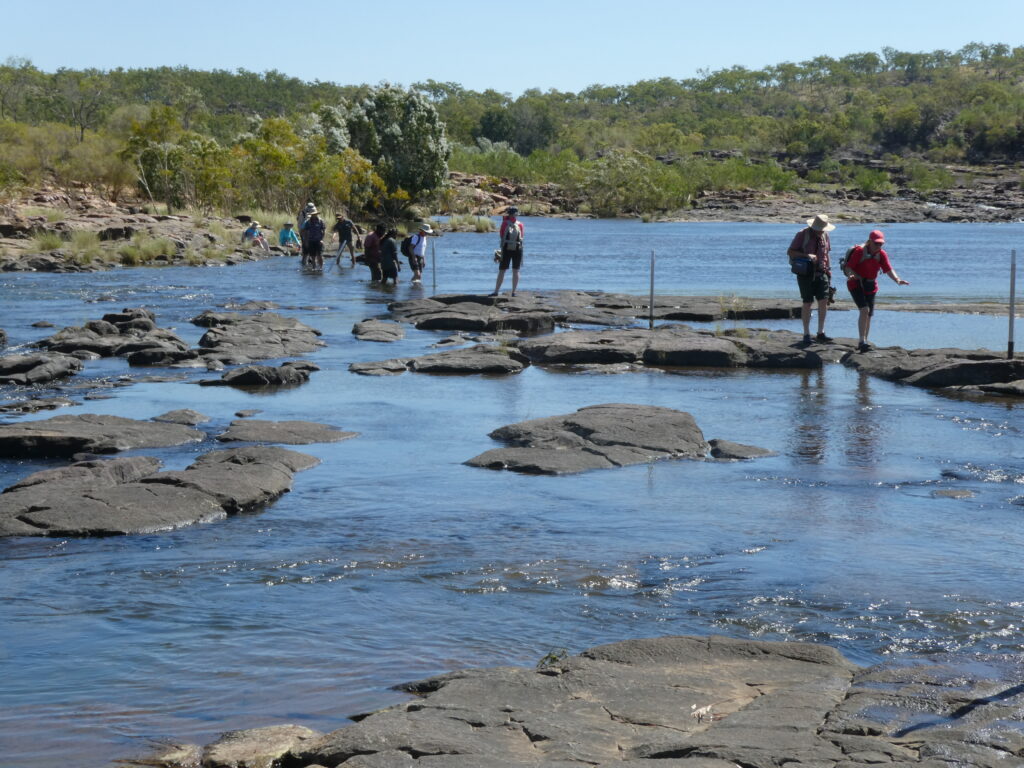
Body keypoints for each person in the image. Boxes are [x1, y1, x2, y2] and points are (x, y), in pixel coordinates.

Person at [843, 229, 910, 352]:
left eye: (881, 244)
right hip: (855, 283)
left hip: (871, 285)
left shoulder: (881, 254)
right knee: (864, 310)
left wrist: (898, 280)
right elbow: (848, 267)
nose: (878, 246)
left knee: (869, 314)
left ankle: (865, 341)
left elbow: (888, 269)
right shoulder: (859, 251)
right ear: (869, 242)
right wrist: (850, 274)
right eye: (876, 243)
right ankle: (861, 341)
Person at [787, 213, 835, 345]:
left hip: (822, 273)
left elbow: (827, 254)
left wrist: (829, 271)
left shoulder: (825, 235)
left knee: (824, 301)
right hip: (805, 274)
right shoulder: (802, 234)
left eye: (822, 229)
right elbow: (790, 252)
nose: (821, 231)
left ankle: (821, 332)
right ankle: (806, 334)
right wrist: (807, 255)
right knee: (807, 302)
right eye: (819, 229)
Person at [492, 205, 524, 296]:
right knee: (516, 270)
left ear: (509, 214)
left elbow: (502, 235)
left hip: (506, 248)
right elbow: (522, 236)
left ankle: (496, 291)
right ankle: (514, 292)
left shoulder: (504, 223)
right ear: (516, 214)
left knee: (502, 270)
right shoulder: (520, 224)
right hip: (518, 248)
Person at [297, 201, 315, 267]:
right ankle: (305, 260)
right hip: (304, 232)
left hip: (312, 233)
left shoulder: (313, 212)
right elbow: (300, 224)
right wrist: (301, 232)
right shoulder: (302, 213)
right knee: (305, 247)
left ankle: (309, 259)